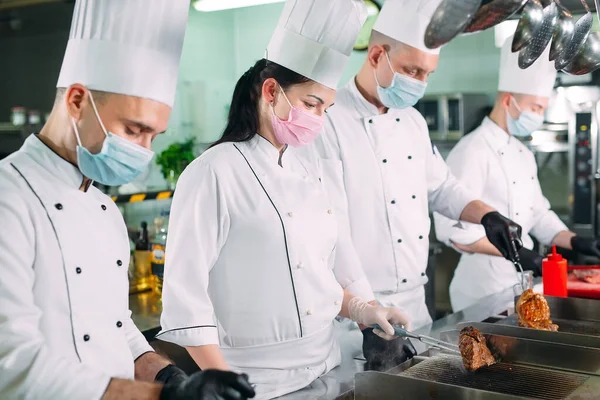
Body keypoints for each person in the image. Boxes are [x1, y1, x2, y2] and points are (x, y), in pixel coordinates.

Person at [158, 1, 417, 398]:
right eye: (312, 104)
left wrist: (364, 311)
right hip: (256, 384)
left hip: (329, 370)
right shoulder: (213, 172)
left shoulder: (309, 171)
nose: (318, 118)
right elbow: (185, 300)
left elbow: (311, 276)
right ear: (270, 91)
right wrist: (221, 381)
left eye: (326, 109)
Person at [0, 1, 255, 399]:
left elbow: (118, 331)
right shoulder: (8, 198)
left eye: (154, 136)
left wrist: (172, 378)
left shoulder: (104, 211)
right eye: (134, 129)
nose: (144, 150)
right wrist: (163, 397)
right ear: (77, 101)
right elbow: (12, 364)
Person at [308, 0, 524, 369]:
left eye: (428, 74)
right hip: (356, 312)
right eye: (412, 70)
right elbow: (329, 227)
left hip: (414, 303)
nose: (420, 83)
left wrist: (488, 215)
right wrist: (365, 310)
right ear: (377, 55)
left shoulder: (412, 123)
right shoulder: (328, 121)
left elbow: (441, 188)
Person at [434, 36, 600, 311]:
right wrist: (518, 252)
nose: (539, 115)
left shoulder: (522, 154)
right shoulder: (472, 150)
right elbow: (450, 229)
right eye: (536, 108)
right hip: (480, 289)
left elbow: (538, 214)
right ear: (509, 100)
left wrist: (575, 241)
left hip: (519, 283)